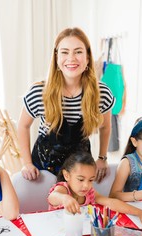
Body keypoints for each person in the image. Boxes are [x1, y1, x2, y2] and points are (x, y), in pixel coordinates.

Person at [17, 27, 115, 183]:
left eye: (78, 52)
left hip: (81, 169)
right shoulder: (38, 92)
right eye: (64, 52)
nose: (71, 58)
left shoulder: (101, 93)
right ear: (56, 57)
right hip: (44, 170)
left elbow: (106, 127)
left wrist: (102, 157)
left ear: (88, 57)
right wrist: (27, 163)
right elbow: (23, 126)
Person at [48, 151, 142, 225]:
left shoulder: (89, 193)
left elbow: (111, 202)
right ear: (67, 175)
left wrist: (140, 212)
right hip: (57, 233)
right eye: (81, 179)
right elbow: (53, 197)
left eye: (91, 180)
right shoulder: (63, 189)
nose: (86, 185)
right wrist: (64, 198)